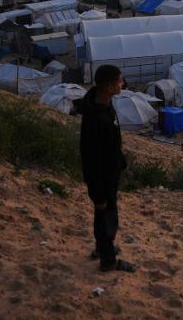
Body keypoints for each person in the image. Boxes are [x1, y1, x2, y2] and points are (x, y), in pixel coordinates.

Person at [75, 65, 136, 273]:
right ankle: (109, 260)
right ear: (109, 86)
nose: (123, 84)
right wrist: (97, 191)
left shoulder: (101, 104)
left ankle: (102, 248)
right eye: (120, 81)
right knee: (107, 217)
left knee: (101, 215)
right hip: (102, 180)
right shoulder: (97, 119)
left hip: (108, 174)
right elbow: (91, 158)